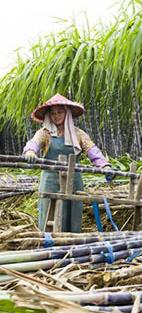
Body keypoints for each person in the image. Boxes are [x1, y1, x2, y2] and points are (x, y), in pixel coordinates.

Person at [22, 94, 112, 232]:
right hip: (50, 181)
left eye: (60, 112)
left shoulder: (78, 134)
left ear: (67, 113)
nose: (56, 116)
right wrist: (30, 152)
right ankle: (49, 245)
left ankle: (71, 245)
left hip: (73, 180)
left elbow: (92, 150)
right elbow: (33, 143)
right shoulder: (45, 133)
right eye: (53, 113)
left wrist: (104, 165)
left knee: (73, 212)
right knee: (49, 213)